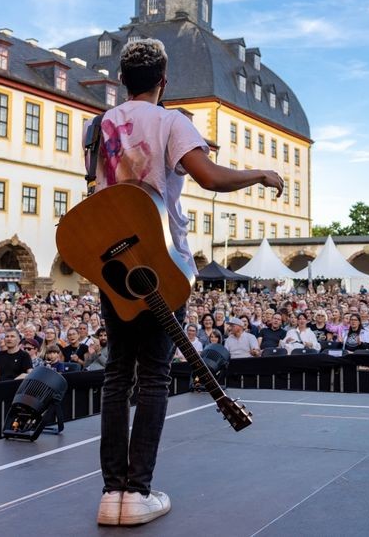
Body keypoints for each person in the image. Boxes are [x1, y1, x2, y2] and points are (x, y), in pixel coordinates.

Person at [91, 38, 283, 527]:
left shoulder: (100, 125)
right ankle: (138, 491)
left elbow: (102, 193)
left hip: (112, 262)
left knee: (117, 374)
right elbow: (211, 180)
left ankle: (111, 493)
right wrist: (259, 173)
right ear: (164, 81)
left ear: (120, 80)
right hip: (162, 262)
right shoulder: (174, 121)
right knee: (153, 376)